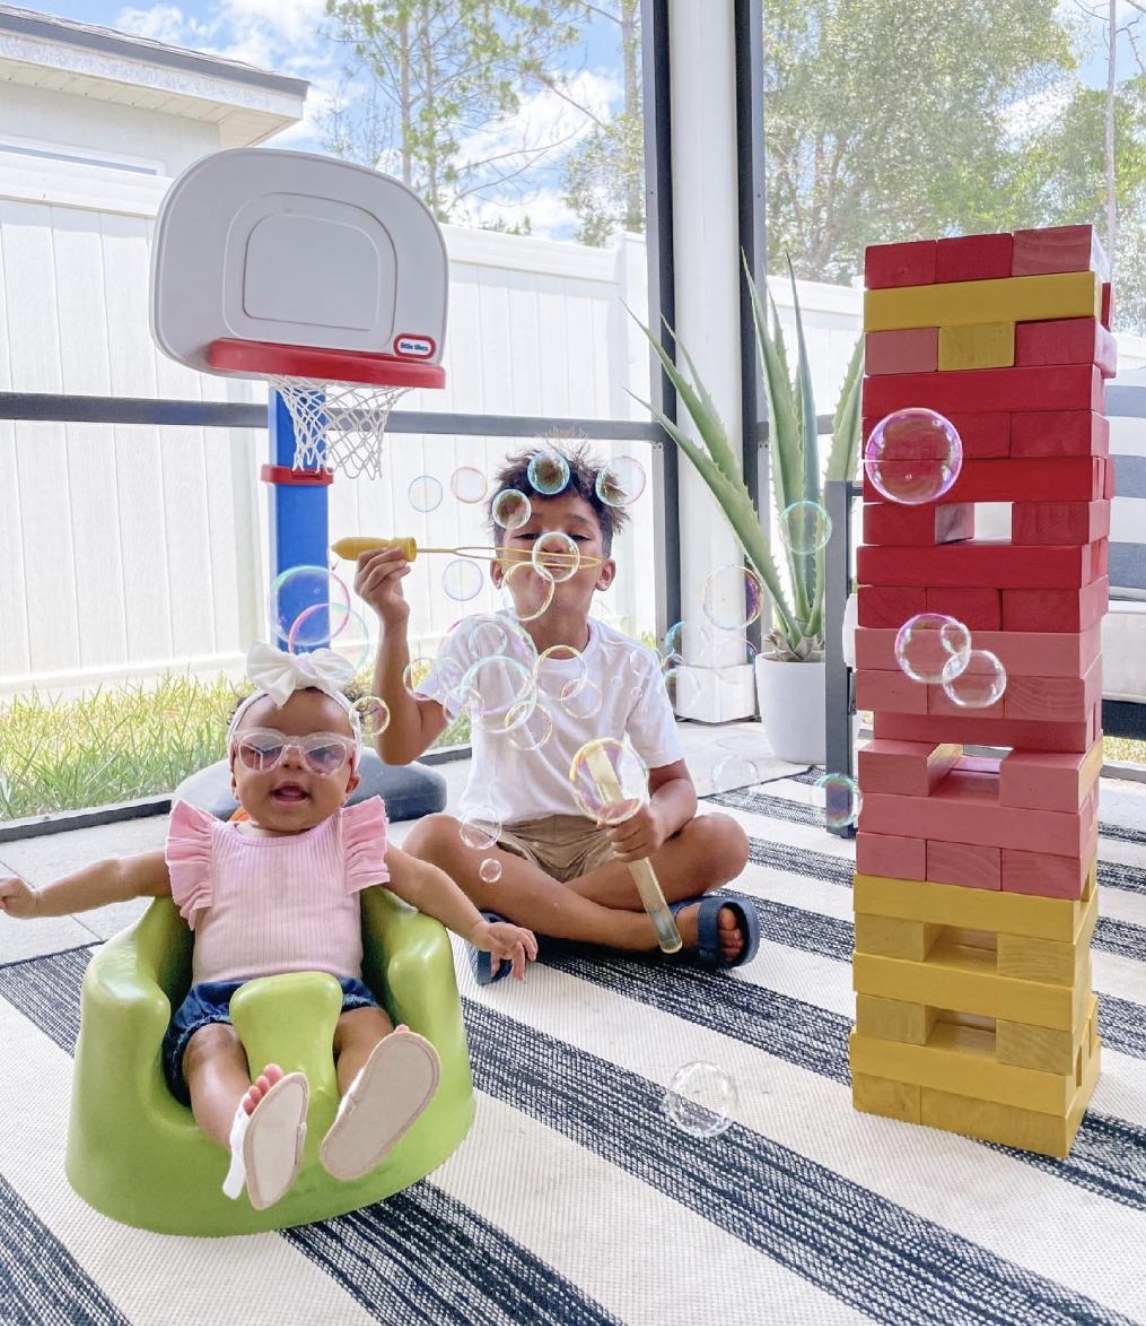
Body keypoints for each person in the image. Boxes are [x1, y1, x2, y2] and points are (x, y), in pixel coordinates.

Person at [0, 643, 536, 1211]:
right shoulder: (207, 847)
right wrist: (37, 901)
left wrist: (478, 929)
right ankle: (247, 1132)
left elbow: (423, 883)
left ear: (352, 778)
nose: (292, 763)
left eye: (322, 754)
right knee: (209, 1055)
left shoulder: (352, 840)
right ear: (232, 772)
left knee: (369, 1034)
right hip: (219, 1006)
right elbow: (120, 874)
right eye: (263, 751)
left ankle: (366, 1113)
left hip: (338, 999)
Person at [352, 444, 754, 984]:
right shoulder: (481, 640)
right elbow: (398, 747)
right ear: (498, 569)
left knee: (724, 839)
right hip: (502, 843)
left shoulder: (629, 662)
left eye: (575, 535)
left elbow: (675, 785)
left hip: (602, 845)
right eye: (528, 534)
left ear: (605, 572)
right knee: (428, 841)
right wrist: (393, 622)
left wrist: (655, 823)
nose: (551, 547)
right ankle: (637, 933)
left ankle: (526, 920)